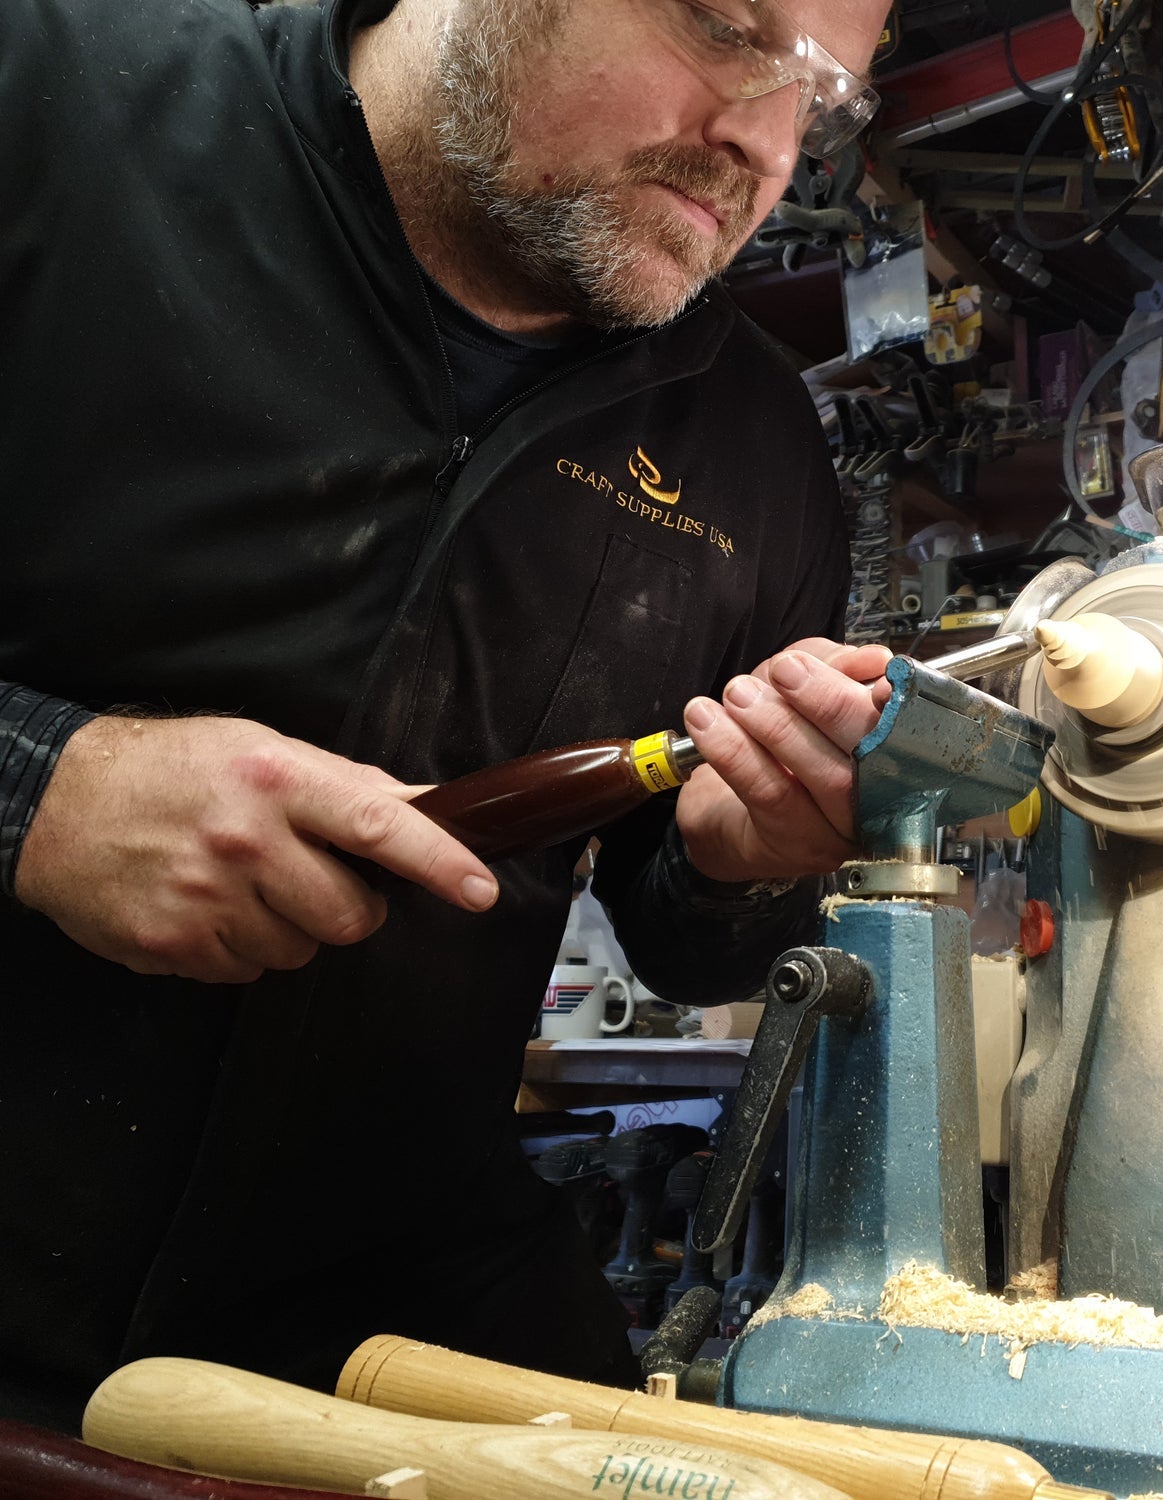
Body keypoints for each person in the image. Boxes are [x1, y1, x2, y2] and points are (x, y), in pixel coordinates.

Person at [0, 0, 892, 1431]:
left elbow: (681, 930)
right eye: (729, 29)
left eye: (823, 94)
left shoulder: (756, 446)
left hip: (374, 1320)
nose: (764, 147)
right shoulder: (52, 100)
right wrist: (33, 790)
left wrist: (748, 858)